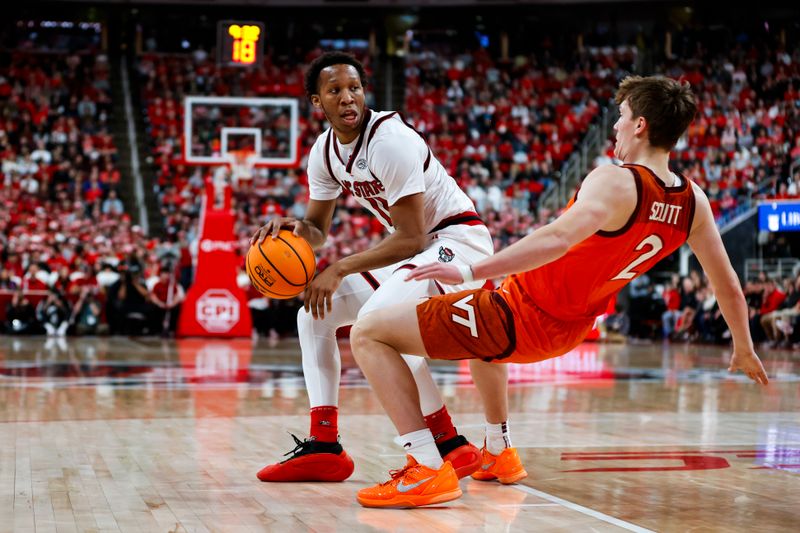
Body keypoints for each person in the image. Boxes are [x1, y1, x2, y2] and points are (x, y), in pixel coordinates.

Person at [349, 75, 769, 508]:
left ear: (640, 125)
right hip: (569, 329)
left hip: (521, 314)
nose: (615, 128)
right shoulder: (693, 202)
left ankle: (425, 467)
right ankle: (499, 450)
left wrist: (468, 267)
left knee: (369, 333)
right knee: (484, 341)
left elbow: (554, 240)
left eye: (621, 118)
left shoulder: (616, 181)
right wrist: (743, 346)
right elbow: (728, 284)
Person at [250, 51, 521, 485]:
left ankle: (438, 454)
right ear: (316, 103)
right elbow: (317, 227)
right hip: (416, 252)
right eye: (335, 90)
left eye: (354, 87)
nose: (348, 97)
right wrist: (294, 230)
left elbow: (411, 235)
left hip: (457, 242)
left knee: (380, 321)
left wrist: (337, 268)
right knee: (312, 315)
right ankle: (325, 446)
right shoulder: (324, 151)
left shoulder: (388, 139)